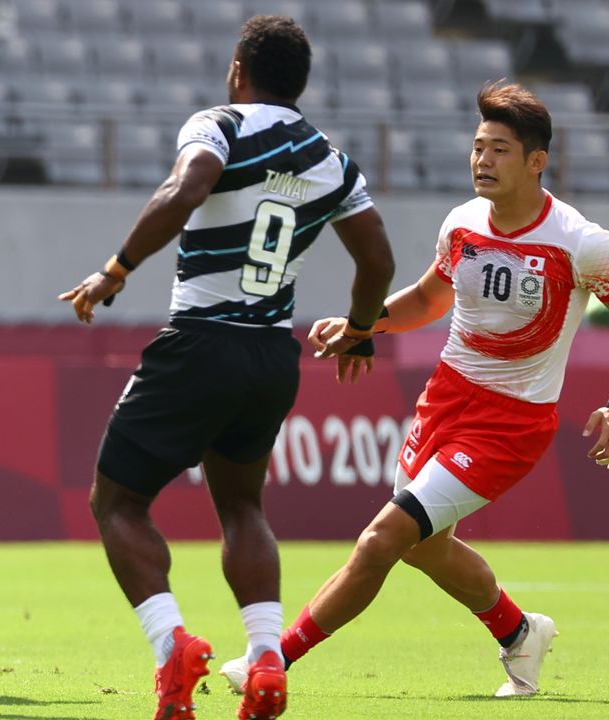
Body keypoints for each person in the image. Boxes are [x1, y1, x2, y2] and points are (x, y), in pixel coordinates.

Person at [59, 16, 395, 720]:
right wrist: (362, 330)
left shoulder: (220, 124)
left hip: (200, 342)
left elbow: (187, 190)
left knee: (116, 502)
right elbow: (378, 260)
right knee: (243, 506)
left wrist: (115, 269)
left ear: (239, 69)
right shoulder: (331, 159)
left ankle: (171, 646)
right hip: (271, 355)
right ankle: (267, 657)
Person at [256, 81, 608, 700]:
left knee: (382, 539)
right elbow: (427, 299)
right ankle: (520, 632)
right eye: (478, 147)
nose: (482, 160)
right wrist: (362, 326)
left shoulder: (580, 244)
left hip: (511, 423)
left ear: (537, 161)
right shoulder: (463, 222)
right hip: (445, 400)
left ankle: (272, 661)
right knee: (423, 548)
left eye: (499, 150)